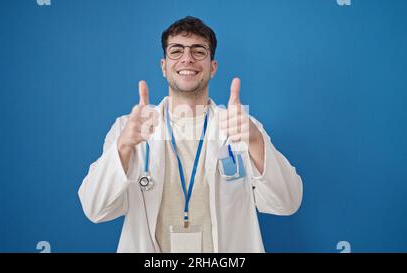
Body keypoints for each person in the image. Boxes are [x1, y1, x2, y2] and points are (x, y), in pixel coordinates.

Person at [78, 16, 303, 253]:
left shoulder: (242, 127)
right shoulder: (129, 128)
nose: (187, 58)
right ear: (164, 66)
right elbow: (95, 209)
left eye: (198, 51)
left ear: (212, 67)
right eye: (176, 51)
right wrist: (123, 147)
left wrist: (256, 141)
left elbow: (287, 203)